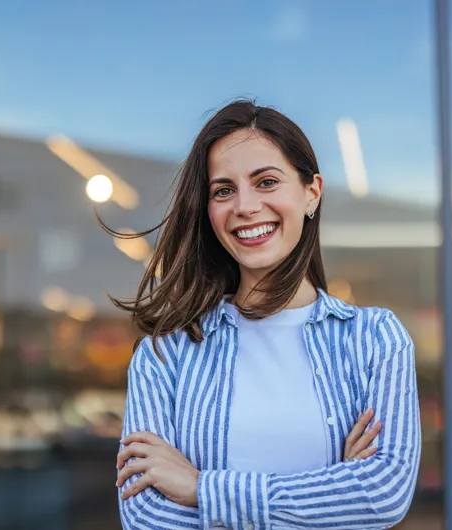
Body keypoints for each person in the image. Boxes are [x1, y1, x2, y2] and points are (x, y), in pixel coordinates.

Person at [109, 100, 421, 529]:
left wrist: (201, 488)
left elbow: (383, 495)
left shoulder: (375, 340)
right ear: (209, 212)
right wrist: (332, 496)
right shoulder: (165, 356)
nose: (246, 206)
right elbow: (146, 518)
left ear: (311, 192)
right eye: (223, 190)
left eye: (266, 181)